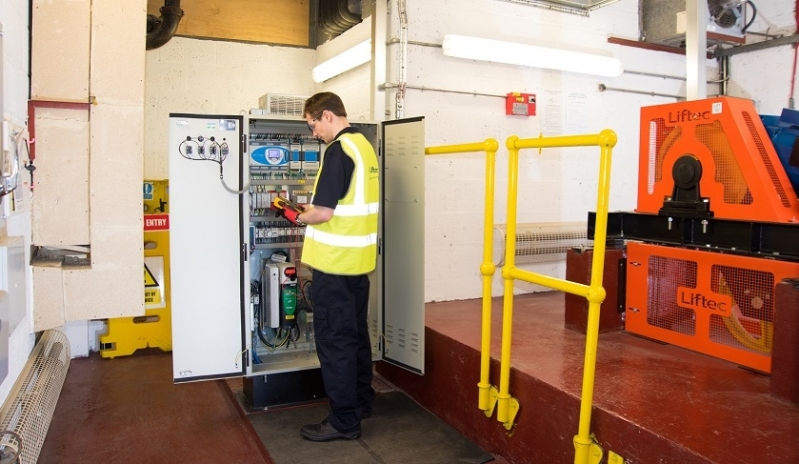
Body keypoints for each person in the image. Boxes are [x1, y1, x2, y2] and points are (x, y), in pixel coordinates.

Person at [294, 92, 379, 441]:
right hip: (358, 265)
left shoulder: (338, 150)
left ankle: (345, 421)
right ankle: (361, 402)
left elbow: (324, 212)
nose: (314, 133)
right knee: (356, 336)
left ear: (327, 116)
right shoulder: (364, 146)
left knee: (335, 343)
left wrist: (299, 216)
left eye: (313, 125)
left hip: (335, 267)